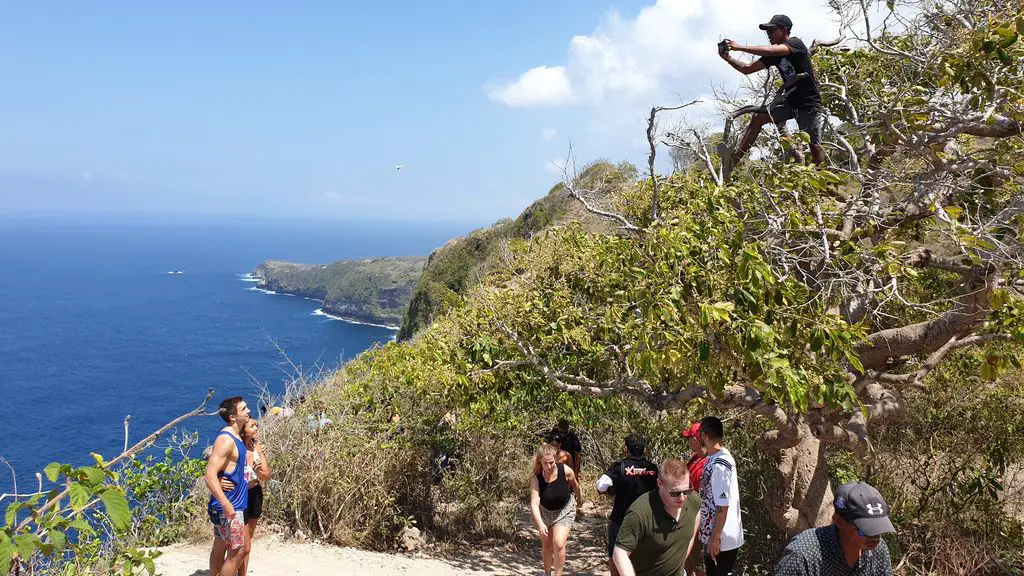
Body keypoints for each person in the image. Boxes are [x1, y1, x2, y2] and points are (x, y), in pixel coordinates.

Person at [719, 14, 825, 168]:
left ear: (784, 30)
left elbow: (769, 51)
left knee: (814, 146)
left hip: (808, 105)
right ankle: (734, 161)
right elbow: (747, 69)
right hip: (790, 104)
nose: (769, 34)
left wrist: (739, 47)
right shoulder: (774, 55)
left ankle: (821, 177)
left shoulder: (795, 43)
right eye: (767, 31)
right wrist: (728, 58)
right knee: (758, 119)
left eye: (772, 30)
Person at [776, 482, 895, 575]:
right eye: (866, 530)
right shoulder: (803, 555)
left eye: (879, 529)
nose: (875, 538)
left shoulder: (878, 550)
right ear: (839, 522)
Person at [611, 458, 701, 576]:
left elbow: (695, 518)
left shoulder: (693, 500)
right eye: (675, 493)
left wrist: (681, 559)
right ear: (659, 484)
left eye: (686, 491)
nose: (682, 498)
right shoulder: (640, 512)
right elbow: (620, 553)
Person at [596, 434, 659, 576]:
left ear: (626, 449)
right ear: (645, 450)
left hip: (621, 519)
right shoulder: (653, 469)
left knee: (616, 556)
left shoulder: (620, 467)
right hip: (646, 521)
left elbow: (601, 486)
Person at [205, 396, 251, 576]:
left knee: (224, 545)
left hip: (234, 504)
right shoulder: (227, 440)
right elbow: (209, 475)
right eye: (244, 409)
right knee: (237, 552)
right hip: (230, 506)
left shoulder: (235, 436)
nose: (248, 411)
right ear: (233, 417)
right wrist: (226, 503)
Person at [219, 418, 271, 576]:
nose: (256, 428)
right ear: (242, 429)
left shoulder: (257, 447)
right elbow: (217, 469)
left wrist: (259, 469)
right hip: (238, 495)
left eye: (257, 425)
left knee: (247, 541)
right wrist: (220, 480)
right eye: (252, 426)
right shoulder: (234, 447)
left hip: (254, 493)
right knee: (239, 545)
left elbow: (266, 476)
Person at [698, 416, 744, 576]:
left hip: (721, 540)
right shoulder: (720, 456)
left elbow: (722, 505)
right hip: (718, 536)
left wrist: (715, 538)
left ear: (704, 436)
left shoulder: (719, 466)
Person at [530, 443, 584, 576]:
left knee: (559, 543)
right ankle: (547, 573)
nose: (549, 466)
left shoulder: (565, 470)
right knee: (547, 547)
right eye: (545, 463)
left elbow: (575, 486)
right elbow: (534, 503)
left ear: (555, 459)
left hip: (564, 511)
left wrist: (579, 500)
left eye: (551, 462)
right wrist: (540, 523)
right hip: (544, 513)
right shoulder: (536, 478)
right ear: (540, 462)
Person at [681, 422, 709, 576]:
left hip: (700, 521)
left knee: (699, 564)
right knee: (687, 561)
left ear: (698, 439)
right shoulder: (695, 457)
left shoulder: (707, 464)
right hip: (688, 517)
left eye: (690, 438)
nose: (689, 441)